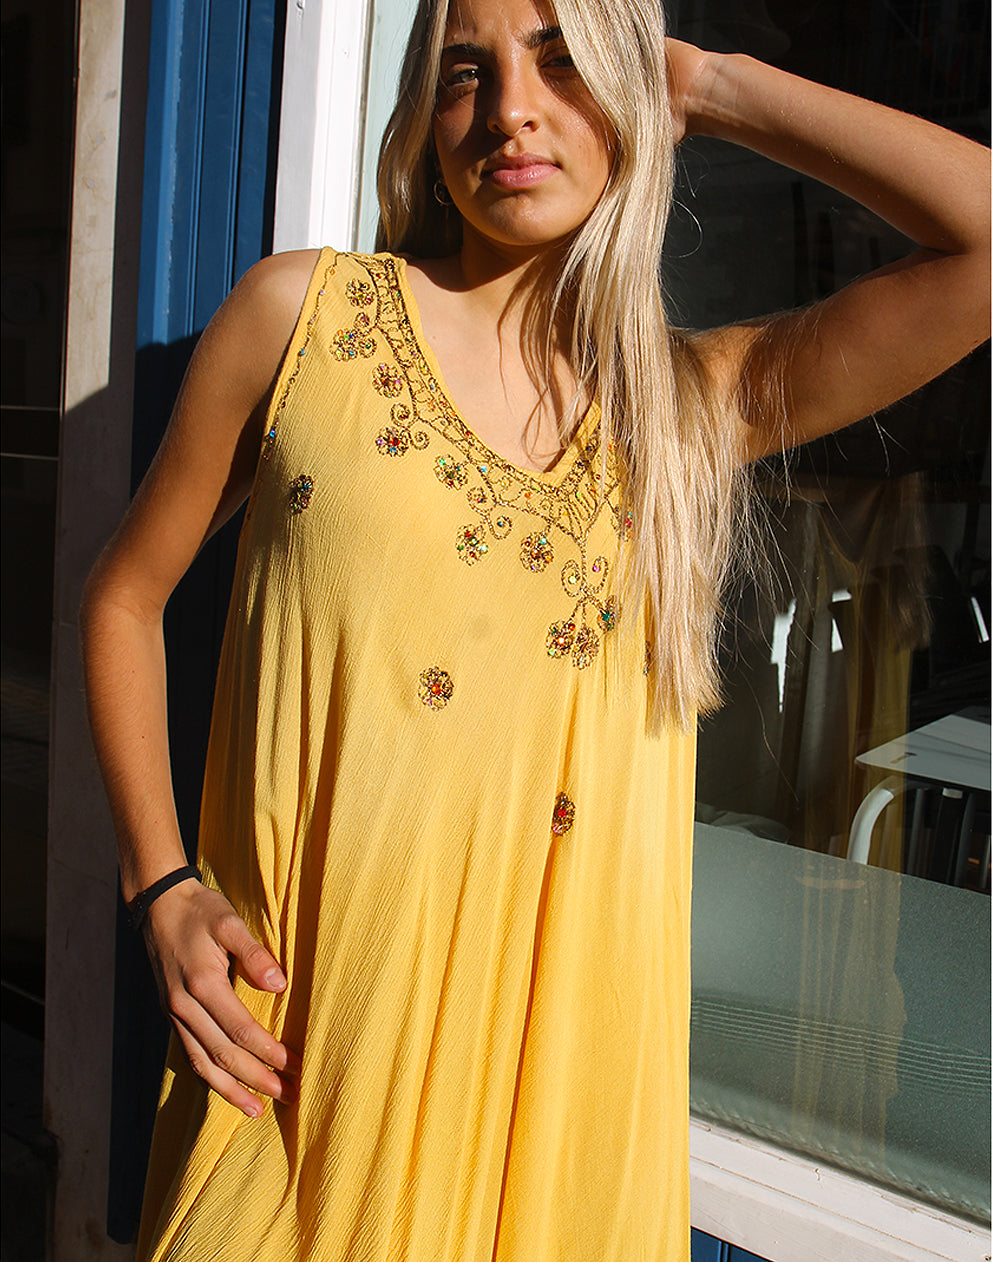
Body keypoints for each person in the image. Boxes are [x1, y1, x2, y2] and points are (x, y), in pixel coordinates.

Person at [81, 1, 989, 1258]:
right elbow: (123, 597)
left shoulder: (687, 410)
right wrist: (161, 883)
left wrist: (705, 84)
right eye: (468, 70)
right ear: (425, 114)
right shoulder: (300, 320)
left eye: (561, 59)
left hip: (552, 1121)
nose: (510, 109)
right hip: (303, 1085)